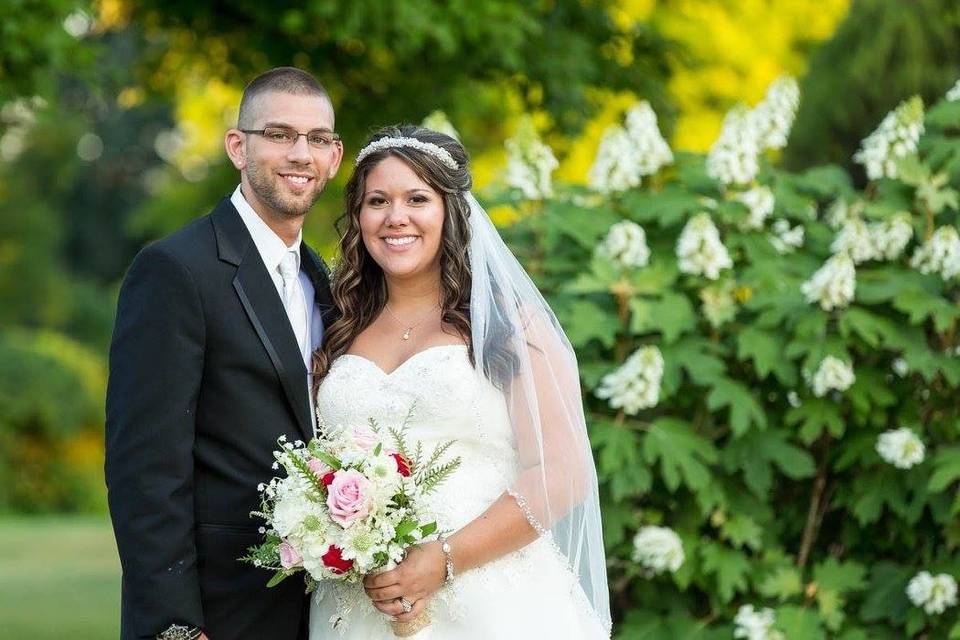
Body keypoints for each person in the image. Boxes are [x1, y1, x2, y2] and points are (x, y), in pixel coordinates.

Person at [309, 125, 611, 639]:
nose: (395, 217)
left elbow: (564, 471)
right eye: (377, 200)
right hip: (359, 608)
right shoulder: (337, 326)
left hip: (491, 600)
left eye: (417, 198)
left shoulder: (509, 328)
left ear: (451, 211)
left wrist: (442, 559)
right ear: (358, 217)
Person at [105, 67, 343, 640]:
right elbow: (145, 468)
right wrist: (174, 626)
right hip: (218, 610)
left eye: (316, 139)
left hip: (319, 604)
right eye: (279, 134)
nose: (300, 154)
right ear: (238, 146)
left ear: (335, 157)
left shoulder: (326, 281)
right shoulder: (175, 270)